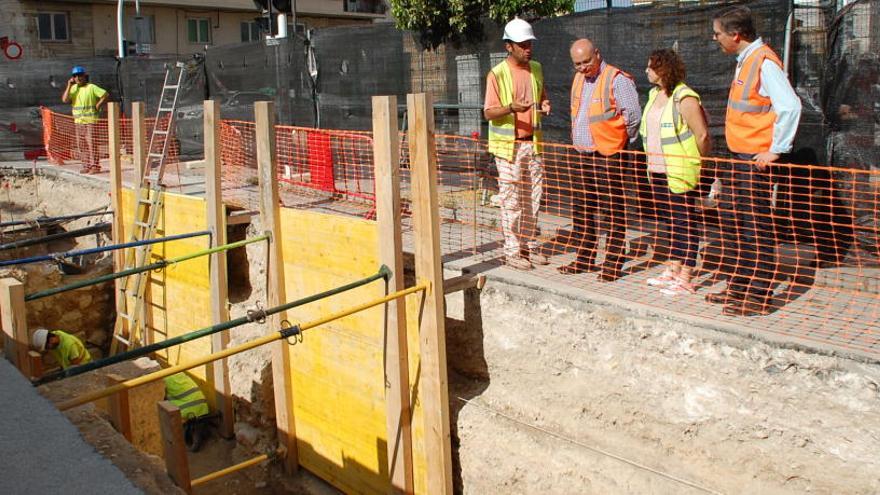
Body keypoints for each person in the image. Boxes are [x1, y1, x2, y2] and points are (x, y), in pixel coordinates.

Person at [708, 6, 802, 316]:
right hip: (740, 156)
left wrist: (777, 148)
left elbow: (789, 106)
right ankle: (740, 286)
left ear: (735, 35)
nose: (715, 38)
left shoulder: (764, 62)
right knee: (735, 223)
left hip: (754, 160)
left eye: (719, 33)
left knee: (755, 228)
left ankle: (759, 295)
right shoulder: (746, 61)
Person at [558, 38, 641, 282]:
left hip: (608, 155)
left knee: (612, 210)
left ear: (597, 54)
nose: (583, 67)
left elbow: (633, 116)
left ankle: (613, 263)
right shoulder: (578, 80)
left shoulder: (617, 79)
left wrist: (620, 142)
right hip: (582, 152)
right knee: (582, 209)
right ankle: (584, 258)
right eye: (577, 64)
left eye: (586, 61)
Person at [640, 49, 712, 296]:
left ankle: (686, 276)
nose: (646, 71)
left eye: (650, 67)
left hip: (680, 169)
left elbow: (701, 134)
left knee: (685, 222)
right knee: (670, 221)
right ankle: (672, 267)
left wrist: (701, 163)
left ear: (663, 69)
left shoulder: (685, 97)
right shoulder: (654, 95)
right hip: (657, 169)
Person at [484, 18, 551, 271]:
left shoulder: (536, 68)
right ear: (508, 46)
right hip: (508, 148)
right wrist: (511, 108)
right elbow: (489, 113)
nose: (528, 48)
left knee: (532, 198)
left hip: (533, 145)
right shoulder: (497, 74)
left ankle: (528, 245)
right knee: (511, 201)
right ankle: (512, 251)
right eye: (522, 44)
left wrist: (544, 105)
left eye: (529, 43)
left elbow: (542, 96)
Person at [61, 65, 109, 174]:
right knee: (81, 145)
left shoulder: (91, 87)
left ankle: (95, 166)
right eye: (75, 76)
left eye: (80, 75)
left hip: (90, 120)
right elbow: (65, 99)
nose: (78, 78)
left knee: (92, 144)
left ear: (84, 76)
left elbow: (105, 94)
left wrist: (98, 105)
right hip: (79, 122)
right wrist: (69, 85)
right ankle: (86, 165)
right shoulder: (73, 89)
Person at [164, 372, 211, 452]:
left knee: (165, 408)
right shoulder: (180, 374)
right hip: (203, 406)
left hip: (187, 410)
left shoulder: (164, 381)